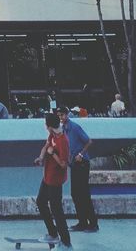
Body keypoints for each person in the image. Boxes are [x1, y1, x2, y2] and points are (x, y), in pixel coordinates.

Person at [58, 104, 99, 233]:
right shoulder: (63, 129)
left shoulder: (74, 127)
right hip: (73, 165)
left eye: (62, 115)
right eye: (59, 116)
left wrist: (81, 154)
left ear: (67, 115)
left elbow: (89, 141)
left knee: (84, 194)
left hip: (82, 163)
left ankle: (93, 224)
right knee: (75, 194)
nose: (61, 118)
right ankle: (82, 222)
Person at [35, 111, 71, 248]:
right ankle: (53, 233)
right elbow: (46, 146)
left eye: (46, 124)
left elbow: (63, 164)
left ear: (50, 126)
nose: (45, 126)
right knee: (41, 202)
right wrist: (41, 157)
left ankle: (66, 242)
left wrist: (53, 154)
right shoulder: (52, 135)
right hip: (47, 177)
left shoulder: (63, 141)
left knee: (56, 210)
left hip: (56, 180)